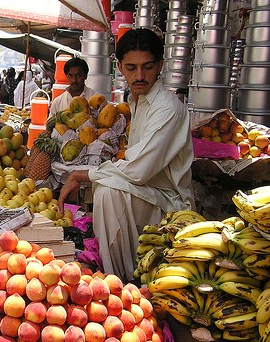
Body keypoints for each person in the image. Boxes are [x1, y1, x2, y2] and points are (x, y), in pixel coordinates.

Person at [57, 28, 195, 282]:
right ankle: (117, 275)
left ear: (160, 66)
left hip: (168, 203)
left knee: (109, 190)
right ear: (120, 67)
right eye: (131, 68)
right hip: (146, 193)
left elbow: (138, 170)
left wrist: (83, 174)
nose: (139, 76)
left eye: (147, 67)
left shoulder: (167, 109)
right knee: (106, 184)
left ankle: (121, 280)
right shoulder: (137, 101)